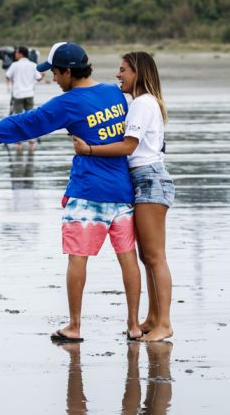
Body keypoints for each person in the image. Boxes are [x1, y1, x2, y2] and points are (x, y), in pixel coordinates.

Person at [0, 42, 142, 342]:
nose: (53, 79)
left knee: (78, 259)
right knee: (128, 258)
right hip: (123, 193)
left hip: (87, 193)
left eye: (55, 73)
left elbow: (23, 125)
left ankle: (74, 326)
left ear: (68, 71)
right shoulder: (115, 93)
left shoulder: (68, 103)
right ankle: (134, 325)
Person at [72, 52, 175, 342]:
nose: (118, 76)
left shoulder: (142, 104)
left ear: (138, 73)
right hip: (144, 180)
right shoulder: (142, 103)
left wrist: (89, 150)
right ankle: (153, 318)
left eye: (123, 71)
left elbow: (129, 146)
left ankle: (164, 323)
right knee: (147, 256)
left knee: (155, 257)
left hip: (149, 180)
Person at [5, 46, 44, 150]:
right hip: (29, 94)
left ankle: (19, 141)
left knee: (18, 117)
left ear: (21, 54)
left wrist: (10, 86)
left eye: (16, 53)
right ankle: (31, 140)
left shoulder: (14, 65)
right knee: (30, 117)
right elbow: (39, 78)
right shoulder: (33, 65)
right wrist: (42, 75)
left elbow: (8, 75)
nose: (15, 54)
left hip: (18, 94)